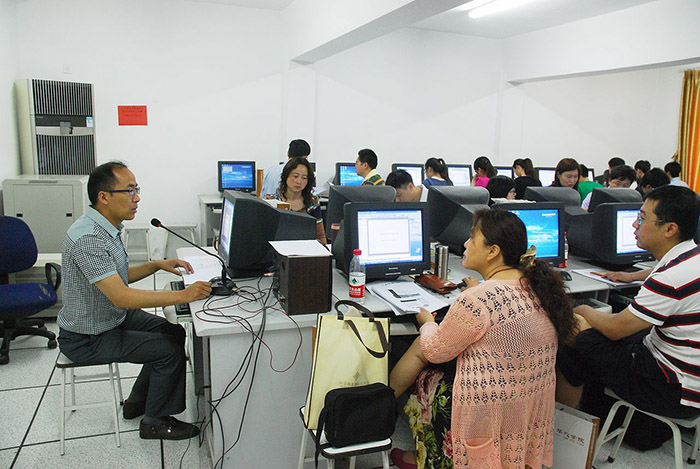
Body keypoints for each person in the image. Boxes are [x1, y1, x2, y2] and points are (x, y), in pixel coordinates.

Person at [389, 210, 576, 469]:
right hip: (522, 404)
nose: (466, 244)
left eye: (472, 238)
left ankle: (388, 419)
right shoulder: (536, 285)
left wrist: (427, 323)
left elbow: (434, 351)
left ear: (493, 252)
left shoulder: (477, 299)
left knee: (420, 349)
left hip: (483, 409)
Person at [57, 161, 212, 441]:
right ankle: (155, 422)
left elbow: (117, 276)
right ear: (104, 197)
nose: (137, 198)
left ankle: (137, 402)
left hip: (109, 319)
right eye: (129, 191)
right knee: (168, 350)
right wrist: (184, 295)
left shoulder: (105, 227)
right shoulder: (89, 238)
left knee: (174, 332)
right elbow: (121, 296)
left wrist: (157, 264)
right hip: (87, 337)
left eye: (136, 189)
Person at [557, 186, 700, 422]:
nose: (634, 225)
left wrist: (584, 309)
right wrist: (632, 276)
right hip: (688, 376)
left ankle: (566, 425)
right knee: (596, 344)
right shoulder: (690, 257)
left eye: (642, 218)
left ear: (670, 229)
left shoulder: (669, 279)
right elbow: (662, 272)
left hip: (672, 389)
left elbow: (615, 329)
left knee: (575, 329)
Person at [267, 157, 326, 243]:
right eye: (295, 176)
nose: (299, 181)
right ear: (286, 176)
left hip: (306, 248)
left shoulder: (313, 202)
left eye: (304, 178)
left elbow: (320, 235)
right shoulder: (272, 201)